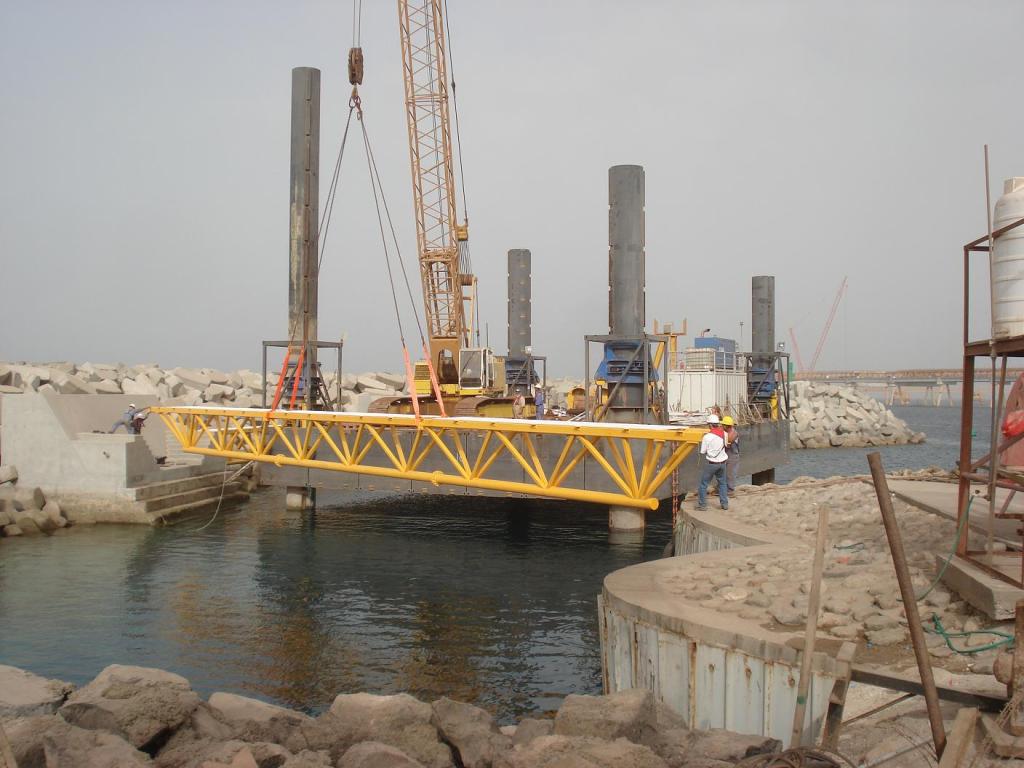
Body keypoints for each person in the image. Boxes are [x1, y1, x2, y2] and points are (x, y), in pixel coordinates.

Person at [696, 414, 729, 511]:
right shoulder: (725, 434)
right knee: (722, 484)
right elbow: (726, 445)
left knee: (703, 485)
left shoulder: (707, 437)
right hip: (723, 463)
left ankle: (702, 505)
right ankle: (724, 504)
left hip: (712, 464)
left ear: (710, 425)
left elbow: (703, 451)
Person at [722, 415, 739, 495]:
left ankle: (730, 490)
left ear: (727, 426)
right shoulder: (725, 432)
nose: (722, 426)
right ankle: (722, 488)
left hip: (732, 456)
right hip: (725, 455)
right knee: (722, 473)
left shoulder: (734, 433)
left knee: (730, 473)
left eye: (723, 425)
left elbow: (728, 443)